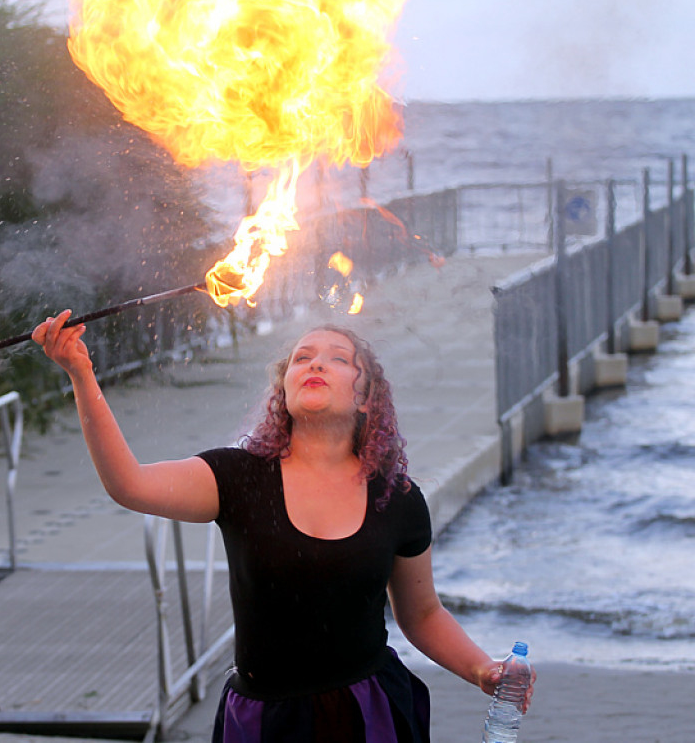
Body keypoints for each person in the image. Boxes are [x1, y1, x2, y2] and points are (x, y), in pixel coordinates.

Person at [32, 310, 535, 742]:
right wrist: (80, 373)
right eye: (301, 357)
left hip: (369, 711)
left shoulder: (396, 497)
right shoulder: (236, 476)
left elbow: (422, 615)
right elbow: (130, 484)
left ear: (366, 400)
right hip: (262, 719)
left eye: (339, 358)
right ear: (285, 388)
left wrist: (482, 670)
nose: (315, 362)